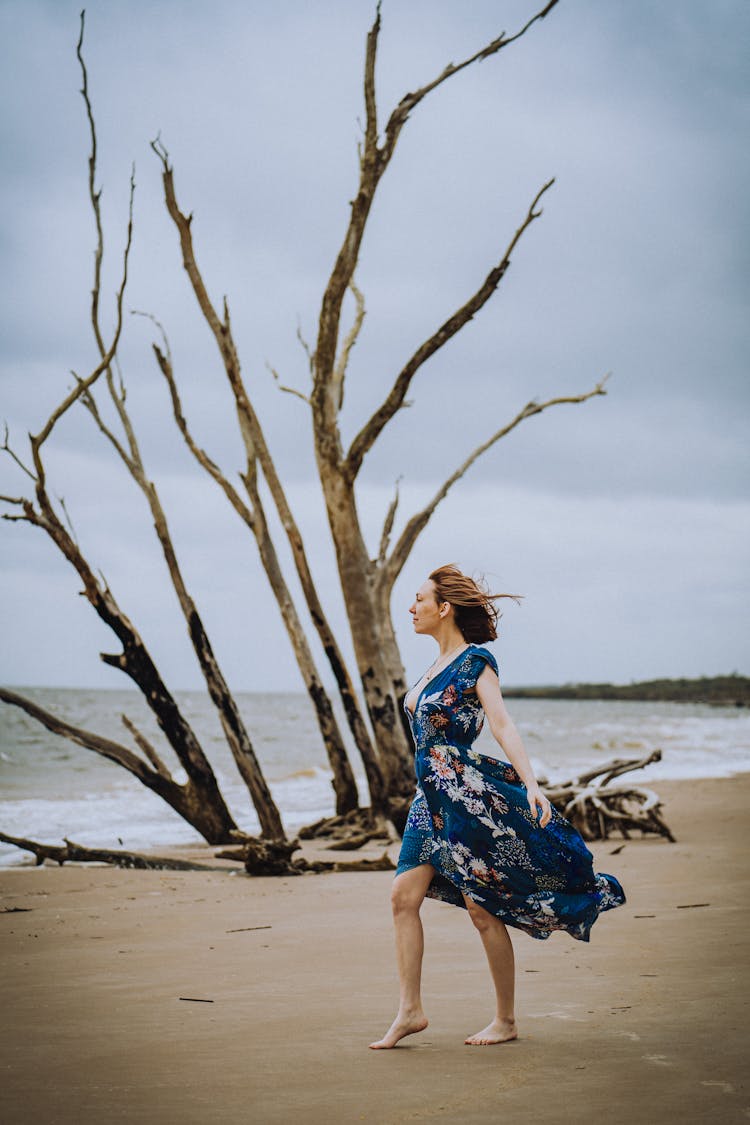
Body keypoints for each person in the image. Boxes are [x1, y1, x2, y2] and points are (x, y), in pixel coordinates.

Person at [369, 564, 625, 1050]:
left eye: (419, 599)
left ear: (443, 608)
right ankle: (411, 1011)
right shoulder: (428, 670)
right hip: (428, 801)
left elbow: (502, 725)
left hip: (466, 798)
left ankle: (505, 1019)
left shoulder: (476, 663)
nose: (412, 607)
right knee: (403, 897)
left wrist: (531, 784)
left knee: (480, 908)